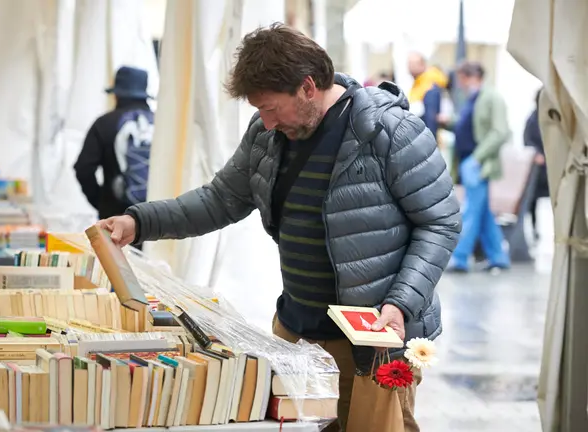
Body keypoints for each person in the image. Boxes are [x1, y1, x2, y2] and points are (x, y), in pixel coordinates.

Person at [96, 24, 461, 431]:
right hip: (295, 336)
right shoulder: (265, 136)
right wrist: (140, 221)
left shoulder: (390, 132)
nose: (266, 122)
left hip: (373, 344)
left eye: (271, 108)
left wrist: (400, 303)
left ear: (307, 87)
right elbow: (219, 200)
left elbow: (440, 223)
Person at [439, 62, 511, 272]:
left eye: (461, 79)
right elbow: (467, 125)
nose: (459, 84)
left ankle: (459, 258)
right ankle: (498, 257)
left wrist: (477, 158)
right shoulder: (474, 98)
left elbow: (500, 132)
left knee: (470, 211)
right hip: (469, 162)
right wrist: (449, 122)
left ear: (469, 77)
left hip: (477, 163)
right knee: (483, 214)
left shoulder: (491, 97)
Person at [74, 66, 155, 222]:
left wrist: (102, 202)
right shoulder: (164, 124)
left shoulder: (104, 123)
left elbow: (83, 168)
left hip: (115, 219)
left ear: (116, 95)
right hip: (157, 219)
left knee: (114, 248)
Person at [524, 88, 548, 241]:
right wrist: (537, 154)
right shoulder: (533, 119)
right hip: (539, 169)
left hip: (550, 167)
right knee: (533, 201)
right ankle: (534, 229)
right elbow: (527, 140)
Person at [407, 52, 447, 138]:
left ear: (422, 65)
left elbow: (431, 119)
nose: (409, 67)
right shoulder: (418, 83)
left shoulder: (429, 84)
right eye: (409, 64)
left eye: (413, 64)